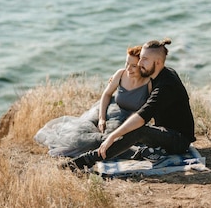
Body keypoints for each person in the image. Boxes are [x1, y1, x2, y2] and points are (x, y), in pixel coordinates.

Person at [64, 38, 196, 171]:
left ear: (157, 62)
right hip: (163, 132)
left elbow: (142, 116)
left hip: (179, 140)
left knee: (137, 130)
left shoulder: (165, 86)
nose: (139, 63)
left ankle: (88, 159)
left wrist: (112, 137)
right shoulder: (159, 74)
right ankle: (146, 151)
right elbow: (136, 78)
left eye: (144, 59)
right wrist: (120, 76)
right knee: (130, 131)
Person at [34, 45, 151, 157]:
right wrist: (102, 118)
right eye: (127, 63)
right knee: (80, 129)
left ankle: (136, 152)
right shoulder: (121, 74)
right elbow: (106, 94)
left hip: (126, 119)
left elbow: (153, 106)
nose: (128, 69)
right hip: (108, 108)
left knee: (105, 140)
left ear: (142, 66)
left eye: (133, 66)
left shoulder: (149, 83)